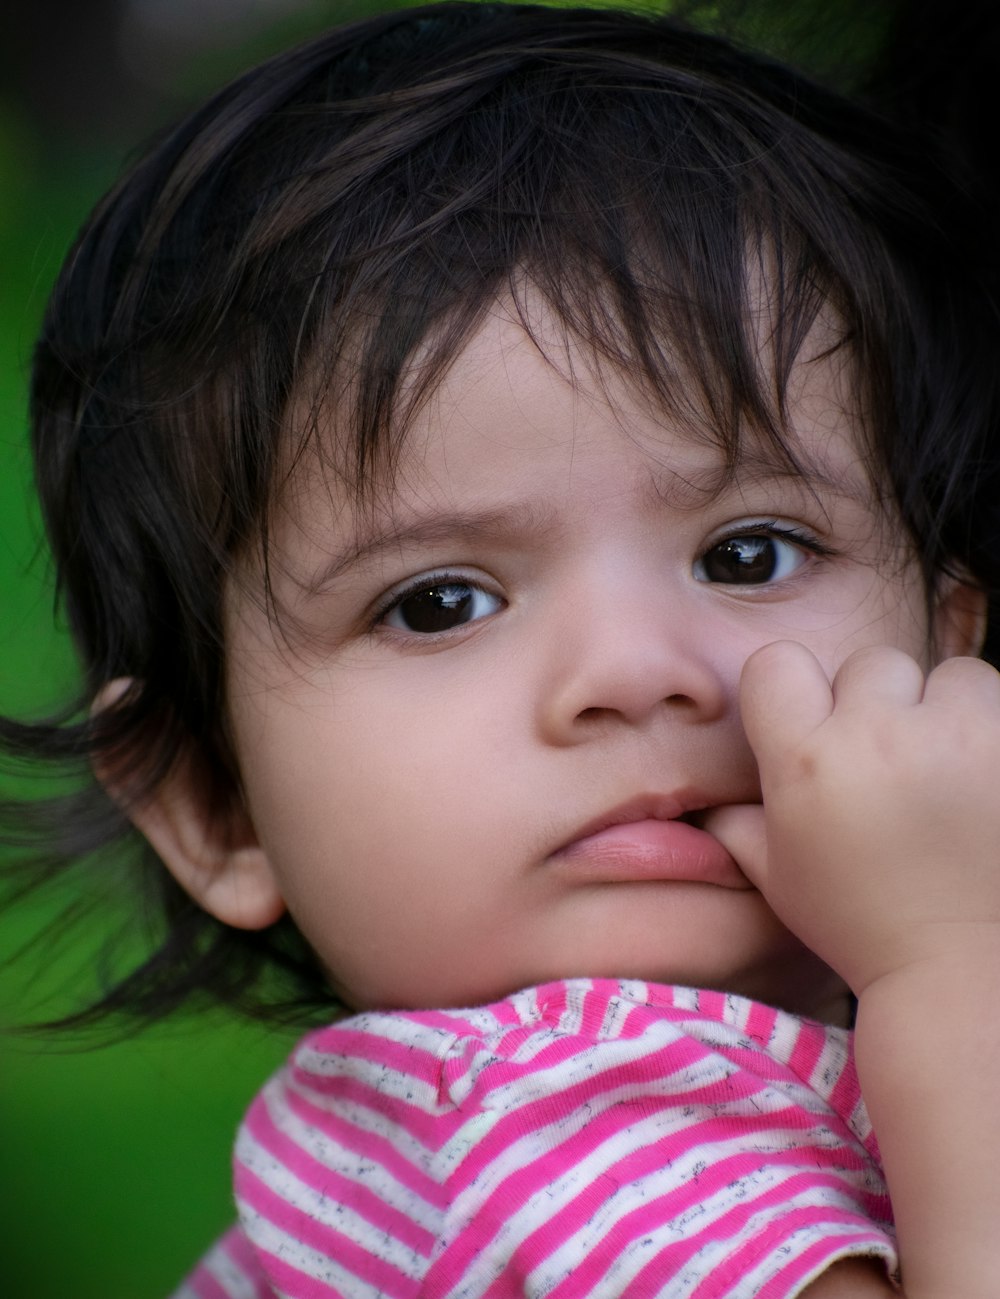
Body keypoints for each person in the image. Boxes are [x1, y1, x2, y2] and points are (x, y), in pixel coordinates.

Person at [3, 3, 1000, 1295]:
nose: (639, 670)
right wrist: (955, 946)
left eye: (750, 553)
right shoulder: (563, 1116)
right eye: (438, 603)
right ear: (216, 807)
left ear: (949, 639)